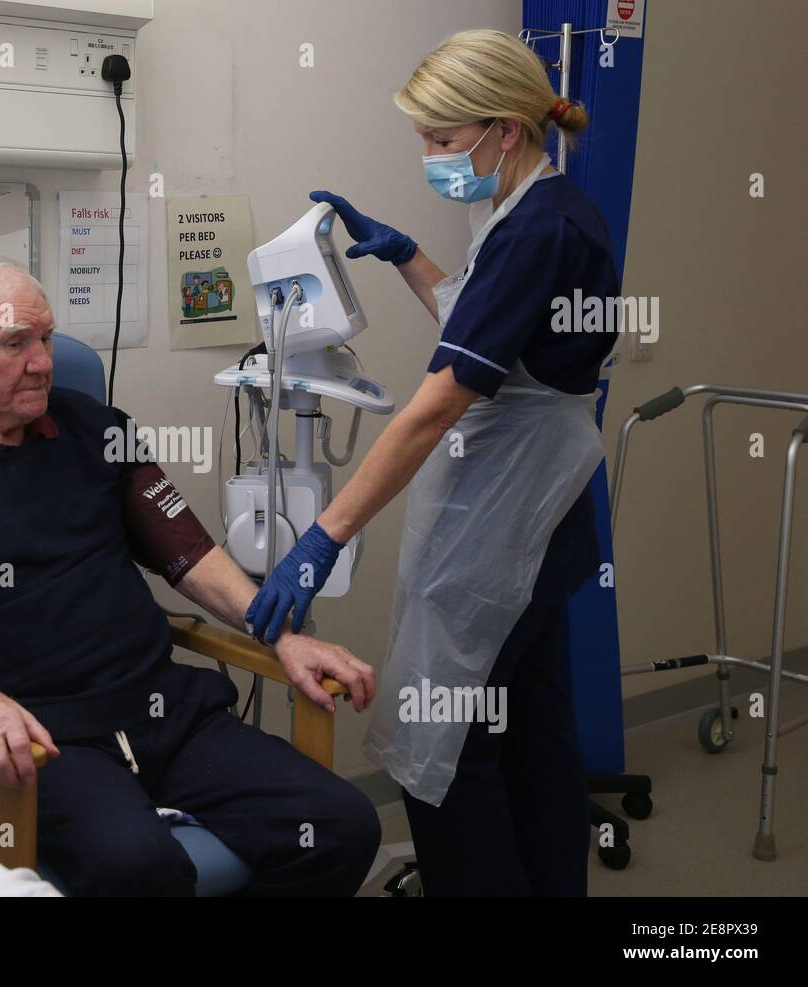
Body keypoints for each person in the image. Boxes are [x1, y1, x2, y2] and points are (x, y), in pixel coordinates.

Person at [0, 257, 381, 896]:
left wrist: (279, 633)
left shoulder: (97, 429)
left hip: (164, 714)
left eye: (45, 339)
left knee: (343, 825)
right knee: (140, 868)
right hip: (38, 741)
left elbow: (190, 554)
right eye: (16, 343)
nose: (42, 361)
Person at [247, 29, 620, 896]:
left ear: (505, 129)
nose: (430, 156)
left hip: (505, 523)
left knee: (441, 747)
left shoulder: (534, 232)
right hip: (544, 516)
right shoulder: (547, 210)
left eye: (442, 141)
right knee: (533, 728)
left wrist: (323, 537)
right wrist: (409, 254)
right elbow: (496, 328)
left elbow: (438, 404)